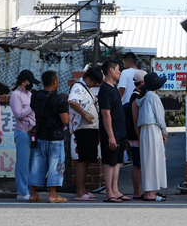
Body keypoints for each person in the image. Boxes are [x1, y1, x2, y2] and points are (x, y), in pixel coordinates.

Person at [28, 70, 71, 203]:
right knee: (55, 165)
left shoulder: (35, 96)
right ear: (54, 82)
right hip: (55, 137)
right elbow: (65, 120)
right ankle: (52, 195)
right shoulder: (59, 99)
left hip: (40, 135)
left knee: (36, 165)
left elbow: (33, 108)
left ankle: (33, 194)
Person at [68, 66, 102, 201]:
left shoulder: (87, 88)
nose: (94, 85)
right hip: (84, 128)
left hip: (91, 128)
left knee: (87, 159)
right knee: (83, 160)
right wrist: (85, 116)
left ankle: (83, 190)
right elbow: (72, 101)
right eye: (94, 83)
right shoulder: (78, 87)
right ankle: (79, 192)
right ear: (88, 79)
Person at [98, 60, 130, 202]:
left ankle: (115, 190)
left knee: (117, 162)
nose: (120, 72)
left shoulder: (113, 88)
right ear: (111, 70)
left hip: (119, 131)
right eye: (118, 68)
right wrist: (111, 136)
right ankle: (109, 192)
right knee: (110, 162)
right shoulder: (104, 89)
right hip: (111, 133)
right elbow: (106, 113)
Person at [137, 72, 169, 201]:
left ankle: (149, 190)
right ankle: (150, 193)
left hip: (145, 130)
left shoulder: (143, 97)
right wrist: (164, 131)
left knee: (148, 160)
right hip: (153, 129)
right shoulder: (153, 96)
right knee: (154, 160)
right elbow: (160, 117)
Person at [9, 69, 39, 201]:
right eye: (29, 81)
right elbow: (18, 114)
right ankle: (22, 191)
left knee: (32, 163)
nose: (31, 84)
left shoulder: (30, 94)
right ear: (23, 82)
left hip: (32, 132)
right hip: (22, 131)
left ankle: (29, 190)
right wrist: (32, 106)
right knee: (22, 163)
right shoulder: (16, 95)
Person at [125, 69, 147, 198]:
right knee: (137, 164)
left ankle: (139, 190)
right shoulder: (135, 97)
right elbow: (135, 120)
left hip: (135, 134)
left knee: (139, 164)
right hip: (135, 135)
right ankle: (137, 191)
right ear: (143, 82)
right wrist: (140, 136)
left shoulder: (136, 95)